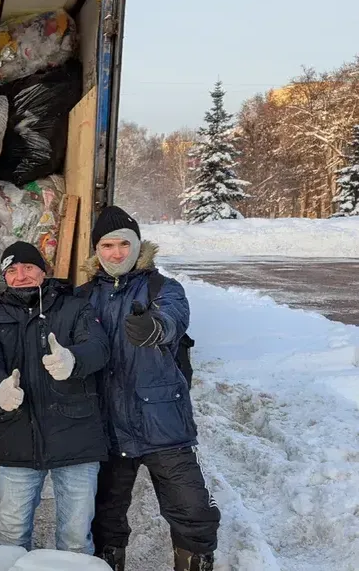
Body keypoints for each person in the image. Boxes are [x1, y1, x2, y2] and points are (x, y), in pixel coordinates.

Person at [76, 206, 219, 571]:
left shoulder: (163, 288)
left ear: (138, 247)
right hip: (107, 428)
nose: (116, 253)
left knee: (194, 513)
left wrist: (155, 327)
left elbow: (172, 318)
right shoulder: (82, 297)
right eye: (107, 245)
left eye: (125, 244)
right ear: (97, 250)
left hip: (163, 423)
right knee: (104, 519)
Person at [0, 242, 110, 554]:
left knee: (75, 538)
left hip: (76, 435)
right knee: (10, 532)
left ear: (44, 270)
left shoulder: (75, 307)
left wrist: (72, 360)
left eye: (28, 268)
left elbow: (99, 347)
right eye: (12, 270)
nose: (21, 275)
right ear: (4, 277)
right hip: (18, 433)